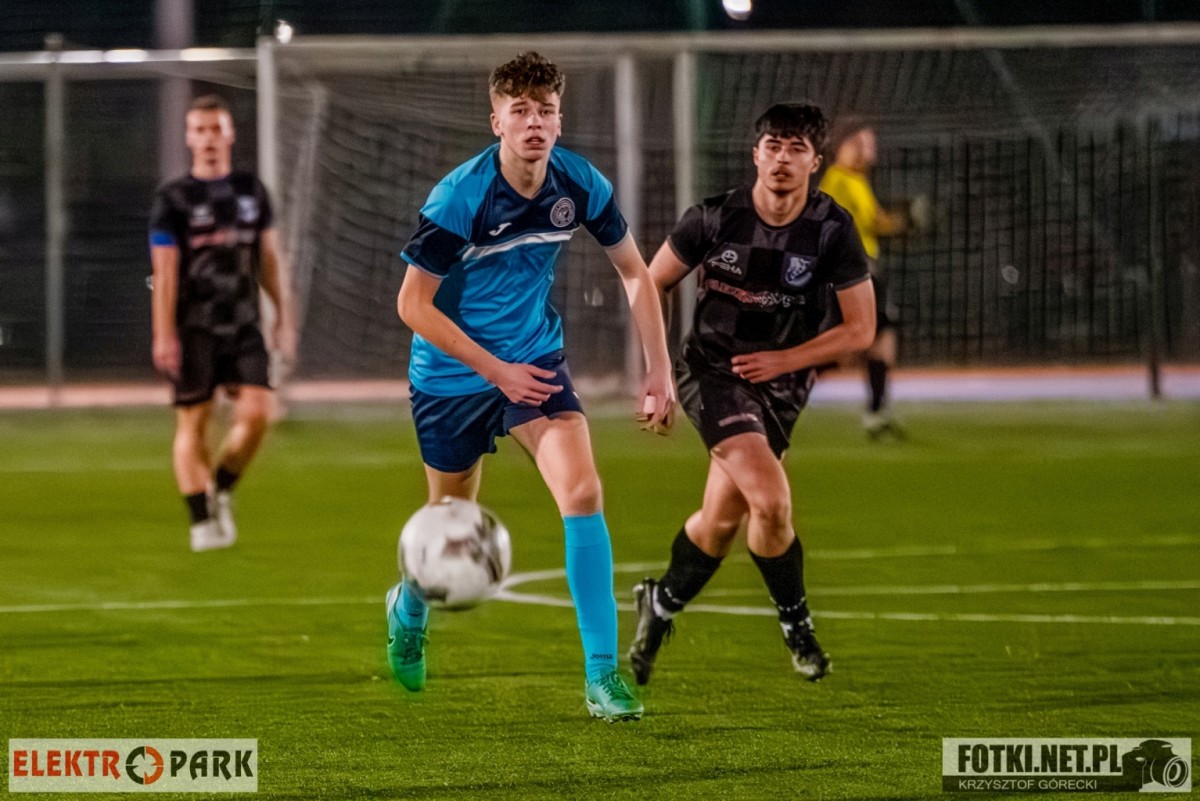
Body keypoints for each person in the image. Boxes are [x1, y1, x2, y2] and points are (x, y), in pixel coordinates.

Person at [387, 52, 676, 723]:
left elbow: (635, 272)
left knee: (582, 491)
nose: (534, 123)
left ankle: (602, 676)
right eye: (520, 111)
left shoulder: (579, 183)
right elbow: (412, 304)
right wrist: (495, 371)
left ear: (559, 120)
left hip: (534, 360)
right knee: (449, 522)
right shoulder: (460, 197)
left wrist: (659, 369)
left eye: (545, 111)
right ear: (497, 122)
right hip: (451, 376)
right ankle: (409, 610)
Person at [627, 103, 876, 685]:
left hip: (782, 386)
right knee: (770, 500)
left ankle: (659, 604)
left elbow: (860, 330)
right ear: (755, 154)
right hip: (713, 373)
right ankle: (798, 627)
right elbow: (650, 282)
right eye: (773, 146)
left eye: (796, 149)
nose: (782, 158)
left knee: (721, 521)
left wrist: (785, 360)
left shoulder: (832, 228)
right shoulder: (714, 217)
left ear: (815, 162)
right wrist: (658, 372)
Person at [149, 94, 296, 552]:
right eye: (200, 130)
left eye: (216, 129)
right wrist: (163, 334)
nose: (209, 138)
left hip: (244, 323)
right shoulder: (173, 199)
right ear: (189, 137)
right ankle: (201, 522)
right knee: (193, 422)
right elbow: (165, 273)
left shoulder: (251, 192)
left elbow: (268, 258)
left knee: (258, 414)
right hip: (193, 327)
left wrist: (283, 316)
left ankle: (223, 487)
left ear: (230, 134)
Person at [818, 120, 919, 439]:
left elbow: (874, 222)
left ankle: (877, 413)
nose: (869, 150)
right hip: (853, 273)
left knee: (881, 338)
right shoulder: (838, 180)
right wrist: (907, 220)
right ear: (845, 145)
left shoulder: (856, 181)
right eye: (863, 143)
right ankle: (778, 381)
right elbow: (841, 223)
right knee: (848, 348)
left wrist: (904, 222)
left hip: (868, 270)